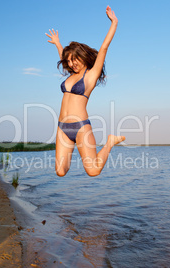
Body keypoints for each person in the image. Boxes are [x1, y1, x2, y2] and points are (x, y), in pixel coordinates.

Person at [46, 5, 125, 177]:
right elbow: (64, 58)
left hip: (81, 127)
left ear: (82, 56)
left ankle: (110, 142)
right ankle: (75, 153)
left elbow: (103, 48)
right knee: (60, 171)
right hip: (62, 127)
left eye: (75, 59)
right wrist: (58, 44)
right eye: (69, 61)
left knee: (93, 170)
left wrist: (114, 23)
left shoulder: (90, 76)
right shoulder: (71, 73)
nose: (72, 63)